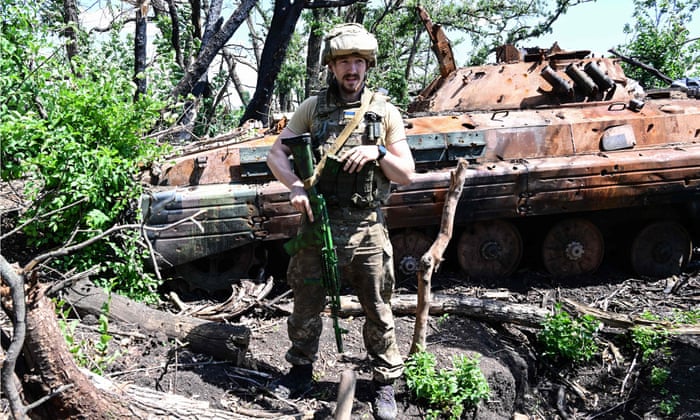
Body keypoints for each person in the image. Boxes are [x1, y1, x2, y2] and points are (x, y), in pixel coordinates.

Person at [266, 22, 415, 420]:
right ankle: (300, 372)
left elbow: (407, 173)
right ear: (332, 66)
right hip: (319, 224)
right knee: (305, 304)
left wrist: (377, 152)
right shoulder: (313, 108)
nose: (352, 69)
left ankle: (384, 384)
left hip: (367, 227)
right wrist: (296, 187)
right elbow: (275, 156)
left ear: (368, 66)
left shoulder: (384, 112)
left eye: (359, 62)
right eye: (344, 62)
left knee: (378, 308)